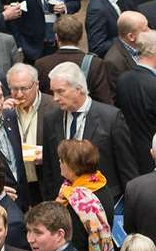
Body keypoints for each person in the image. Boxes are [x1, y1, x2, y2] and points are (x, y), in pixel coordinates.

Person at [40, 59, 136, 193]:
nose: (55, 98)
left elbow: (126, 166)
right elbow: (49, 169)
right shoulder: (51, 118)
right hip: (64, 201)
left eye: (60, 91)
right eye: (53, 92)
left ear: (79, 89)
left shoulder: (111, 118)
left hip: (103, 199)